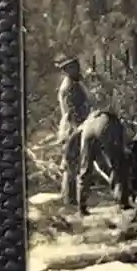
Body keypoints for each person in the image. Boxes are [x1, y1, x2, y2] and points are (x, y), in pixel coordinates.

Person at [75, 109, 131, 215]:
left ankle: (81, 207)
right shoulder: (115, 123)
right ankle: (123, 202)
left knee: (85, 169)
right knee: (119, 164)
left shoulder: (90, 119)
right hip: (104, 127)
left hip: (87, 131)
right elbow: (122, 147)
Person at [56, 57, 92, 205]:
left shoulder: (75, 84)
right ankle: (70, 199)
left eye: (77, 67)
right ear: (68, 71)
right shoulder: (69, 87)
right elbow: (71, 111)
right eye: (74, 68)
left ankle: (71, 197)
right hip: (72, 127)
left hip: (77, 124)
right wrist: (79, 126)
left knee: (74, 162)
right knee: (72, 162)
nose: (78, 70)